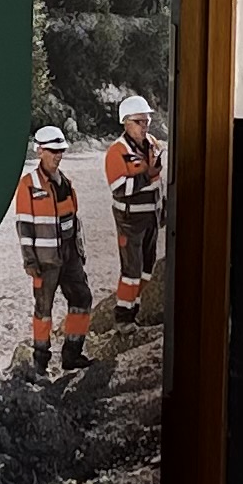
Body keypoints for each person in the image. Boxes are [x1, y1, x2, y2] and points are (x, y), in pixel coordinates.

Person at [12, 126, 91, 379]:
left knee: (82, 299)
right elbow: (24, 226)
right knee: (43, 310)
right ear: (40, 152)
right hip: (45, 261)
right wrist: (29, 260)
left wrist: (78, 252)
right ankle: (40, 361)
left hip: (69, 257)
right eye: (54, 151)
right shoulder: (29, 185)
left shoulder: (65, 182)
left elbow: (73, 219)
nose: (59, 156)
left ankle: (71, 354)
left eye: (61, 151)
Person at [101, 95, 165, 326]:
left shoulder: (153, 144)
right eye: (140, 121)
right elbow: (119, 188)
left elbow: (159, 183)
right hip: (130, 220)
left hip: (152, 217)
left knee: (147, 269)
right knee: (131, 271)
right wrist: (146, 175)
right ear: (126, 122)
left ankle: (134, 309)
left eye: (147, 121)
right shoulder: (116, 152)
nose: (145, 126)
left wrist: (162, 208)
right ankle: (123, 318)